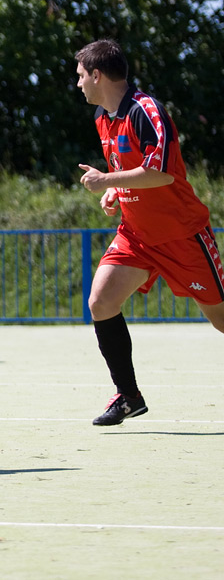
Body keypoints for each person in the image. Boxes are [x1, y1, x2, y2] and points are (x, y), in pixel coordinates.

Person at [74, 38, 224, 426]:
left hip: (181, 235)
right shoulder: (102, 117)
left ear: (97, 75)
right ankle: (129, 397)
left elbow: (161, 173)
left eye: (81, 75)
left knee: (221, 319)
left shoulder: (145, 110)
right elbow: (129, 170)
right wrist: (115, 190)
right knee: (101, 302)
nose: (78, 83)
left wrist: (106, 180)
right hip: (137, 235)